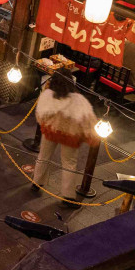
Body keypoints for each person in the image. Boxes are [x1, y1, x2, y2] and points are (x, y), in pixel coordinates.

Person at [33, 73, 99, 201]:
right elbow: (88, 120)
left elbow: (39, 115)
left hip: (50, 131)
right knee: (69, 164)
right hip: (70, 136)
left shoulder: (47, 95)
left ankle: (36, 183)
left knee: (43, 156)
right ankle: (68, 196)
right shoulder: (79, 100)